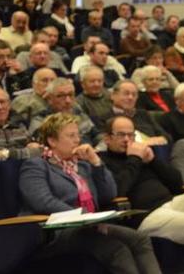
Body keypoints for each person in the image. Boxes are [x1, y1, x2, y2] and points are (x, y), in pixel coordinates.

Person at [19, 113, 161, 274]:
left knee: (140, 239)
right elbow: (42, 201)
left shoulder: (83, 166)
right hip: (56, 231)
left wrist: (96, 162)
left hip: (89, 225)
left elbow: (109, 194)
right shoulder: (36, 166)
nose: (77, 140)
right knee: (117, 248)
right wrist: (83, 216)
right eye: (71, 135)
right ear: (52, 141)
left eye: (78, 135)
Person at [100, 115, 184, 272]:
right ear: (107, 138)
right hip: (146, 215)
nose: (127, 139)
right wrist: (134, 159)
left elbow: (178, 183)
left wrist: (153, 161)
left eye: (130, 135)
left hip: (171, 203)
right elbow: (118, 189)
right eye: (121, 135)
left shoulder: (143, 157)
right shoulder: (104, 161)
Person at [29, 78, 101, 146]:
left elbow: (98, 137)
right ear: (50, 99)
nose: (68, 101)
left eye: (70, 95)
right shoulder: (40, 120)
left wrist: (98, 149)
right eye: (61, 96)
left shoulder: (79, 114)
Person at [109, 80, 169, 145]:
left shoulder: (143, 114)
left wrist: (158, 139)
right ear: (113, 95)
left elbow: (167, 137)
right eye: (126, 94)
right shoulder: (105, 118)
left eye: (134, 94)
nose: (130, 97)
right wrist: (142, 144)